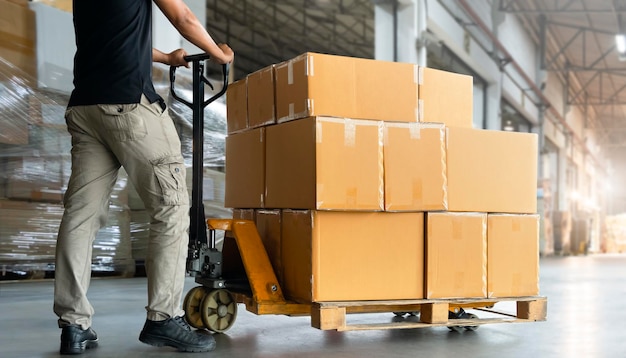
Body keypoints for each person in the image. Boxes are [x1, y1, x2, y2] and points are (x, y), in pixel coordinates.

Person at [53, 0, 233, 354]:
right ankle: (162, 318)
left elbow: (109, 39)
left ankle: (73, 325)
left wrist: (165, 59)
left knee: (80, 218)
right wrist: (220, 54)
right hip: (129, 107)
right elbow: (184, 17)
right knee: (172, 207)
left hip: (86, 108)